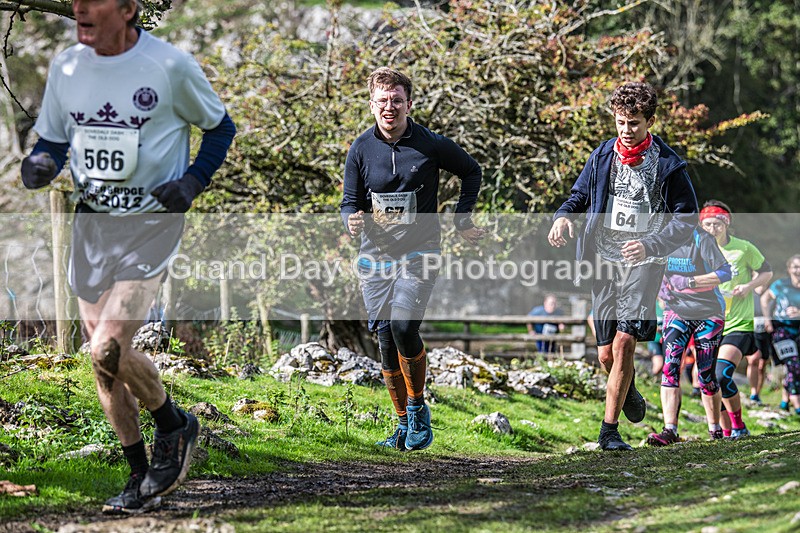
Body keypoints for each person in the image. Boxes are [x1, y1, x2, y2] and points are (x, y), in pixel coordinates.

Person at [21, 0, 235, 514]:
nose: (79, 10)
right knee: (104, 365)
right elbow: (51, 137)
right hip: (92, 226)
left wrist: (192, 180)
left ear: (128, 9)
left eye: (93, 2)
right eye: (76, 2)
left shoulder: (169, 66)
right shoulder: (68, 66)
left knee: (104, 348)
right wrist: (41, 161)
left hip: (151, 226)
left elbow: (220, 128)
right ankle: (140, 478)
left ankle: (172, 425)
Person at [548, 81, 698, 450]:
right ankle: (627, 389)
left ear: (649, 121)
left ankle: (609, 431)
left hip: (644, 261)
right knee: (605, 352)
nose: (626, 130)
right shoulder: (602, 156)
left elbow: (687, 217)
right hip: (603, 259)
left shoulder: (668, 164)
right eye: (620, 122)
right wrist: (563, 216)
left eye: (634, 123)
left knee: (625, 341)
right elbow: (579, 195)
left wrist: (651, 243)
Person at [341, 67, 483, 451]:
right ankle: (402, 425)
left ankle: (420, 410)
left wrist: (462, 218)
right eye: (382, 101)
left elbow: (471, 170)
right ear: (372, 104)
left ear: (408, 103)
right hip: (374, 257)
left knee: (404, 326)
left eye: (397, 100)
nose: (390, 107)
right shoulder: (360, 149)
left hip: (420, 250)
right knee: (386, 338)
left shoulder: (429, 143)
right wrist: (351, 221)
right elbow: (348, 203)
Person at [647, 226, 730, 446]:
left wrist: (690, 282)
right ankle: (669, 430)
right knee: (670, 367)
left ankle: (715, 431)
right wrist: (658, 288)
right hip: (676, 311)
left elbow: (724, 273)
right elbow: (650, 268)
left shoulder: (701, 238)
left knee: (705, 373)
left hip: (709, 313)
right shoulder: (661, 236)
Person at [700, 200, 772, 438]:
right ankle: (727, 429)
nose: (712, 228)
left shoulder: (743, 248)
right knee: (710, 379)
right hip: (710, 323)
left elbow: (766, 272)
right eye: (707, 224)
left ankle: (739, 425)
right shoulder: (696, 249)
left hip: (738, 323)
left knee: (721, 374)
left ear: (726, 224)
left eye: (717, 224)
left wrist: (748, 286)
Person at [761, 254, 800, 415]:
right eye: (795, 266)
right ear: (789, 268)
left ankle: (785, 399)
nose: (798, 270)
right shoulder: (780, 285)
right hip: (781, 330)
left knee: (794, 366)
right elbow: (765, 298)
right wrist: (767, 319)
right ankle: (797, 404)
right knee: (793, 363)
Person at [648, 297, 665, 376]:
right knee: (659, 364)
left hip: (668, 340)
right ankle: (648, 380)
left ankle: (657, 383)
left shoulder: (671, 305)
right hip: (655, 339)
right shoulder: (653, 305)